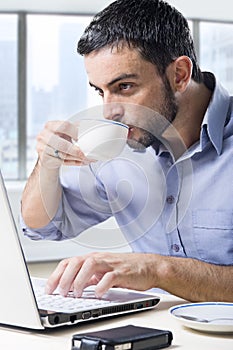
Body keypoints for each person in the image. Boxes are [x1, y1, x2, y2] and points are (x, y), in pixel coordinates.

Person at [21, 0, 233, 302]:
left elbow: (158, 271)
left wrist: (159, 270)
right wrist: (47, 164)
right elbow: (42, 227)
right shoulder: (122, 146)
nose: (109, 112)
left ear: (180, 75)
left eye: (124, 87)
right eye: (99, 90)